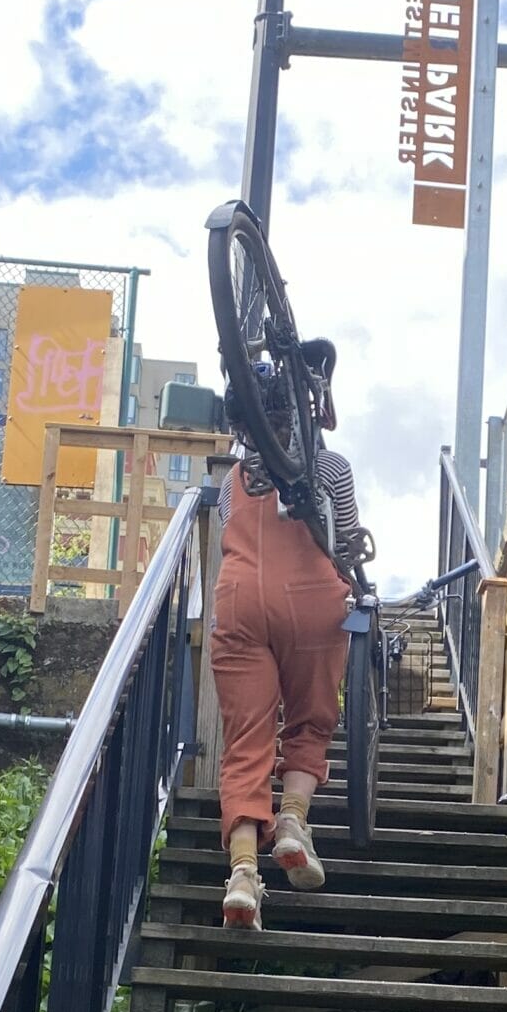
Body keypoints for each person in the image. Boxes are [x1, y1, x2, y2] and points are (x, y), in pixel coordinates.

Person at [210, 390, 361, 929]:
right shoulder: (330, 467)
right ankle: (293, 822)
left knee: (245, 741)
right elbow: (346, 539)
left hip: (238, 602)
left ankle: (243, 875)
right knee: (310, 720)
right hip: (310, 598)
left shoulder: (233, 481)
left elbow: (228, 529)